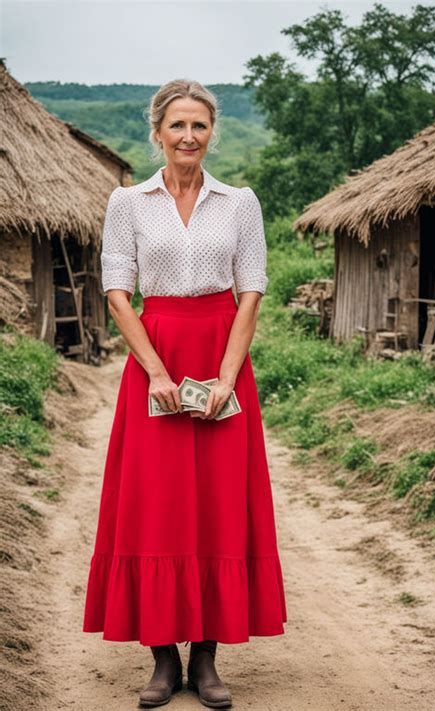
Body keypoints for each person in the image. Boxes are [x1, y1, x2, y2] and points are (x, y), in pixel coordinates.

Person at [82, 78, 287, 709]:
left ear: (212, 132)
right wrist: (157, 373)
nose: (189, 136)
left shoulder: (239, 202)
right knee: (159, 503)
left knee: (219, 503)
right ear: (157, 132)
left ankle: (206, 662)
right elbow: (118, 292)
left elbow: (251, 287)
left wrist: (227, 375)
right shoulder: (129, 203)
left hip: (223, 353)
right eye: (177, 125)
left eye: (199, 125)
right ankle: (162, 662)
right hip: (157, 354)